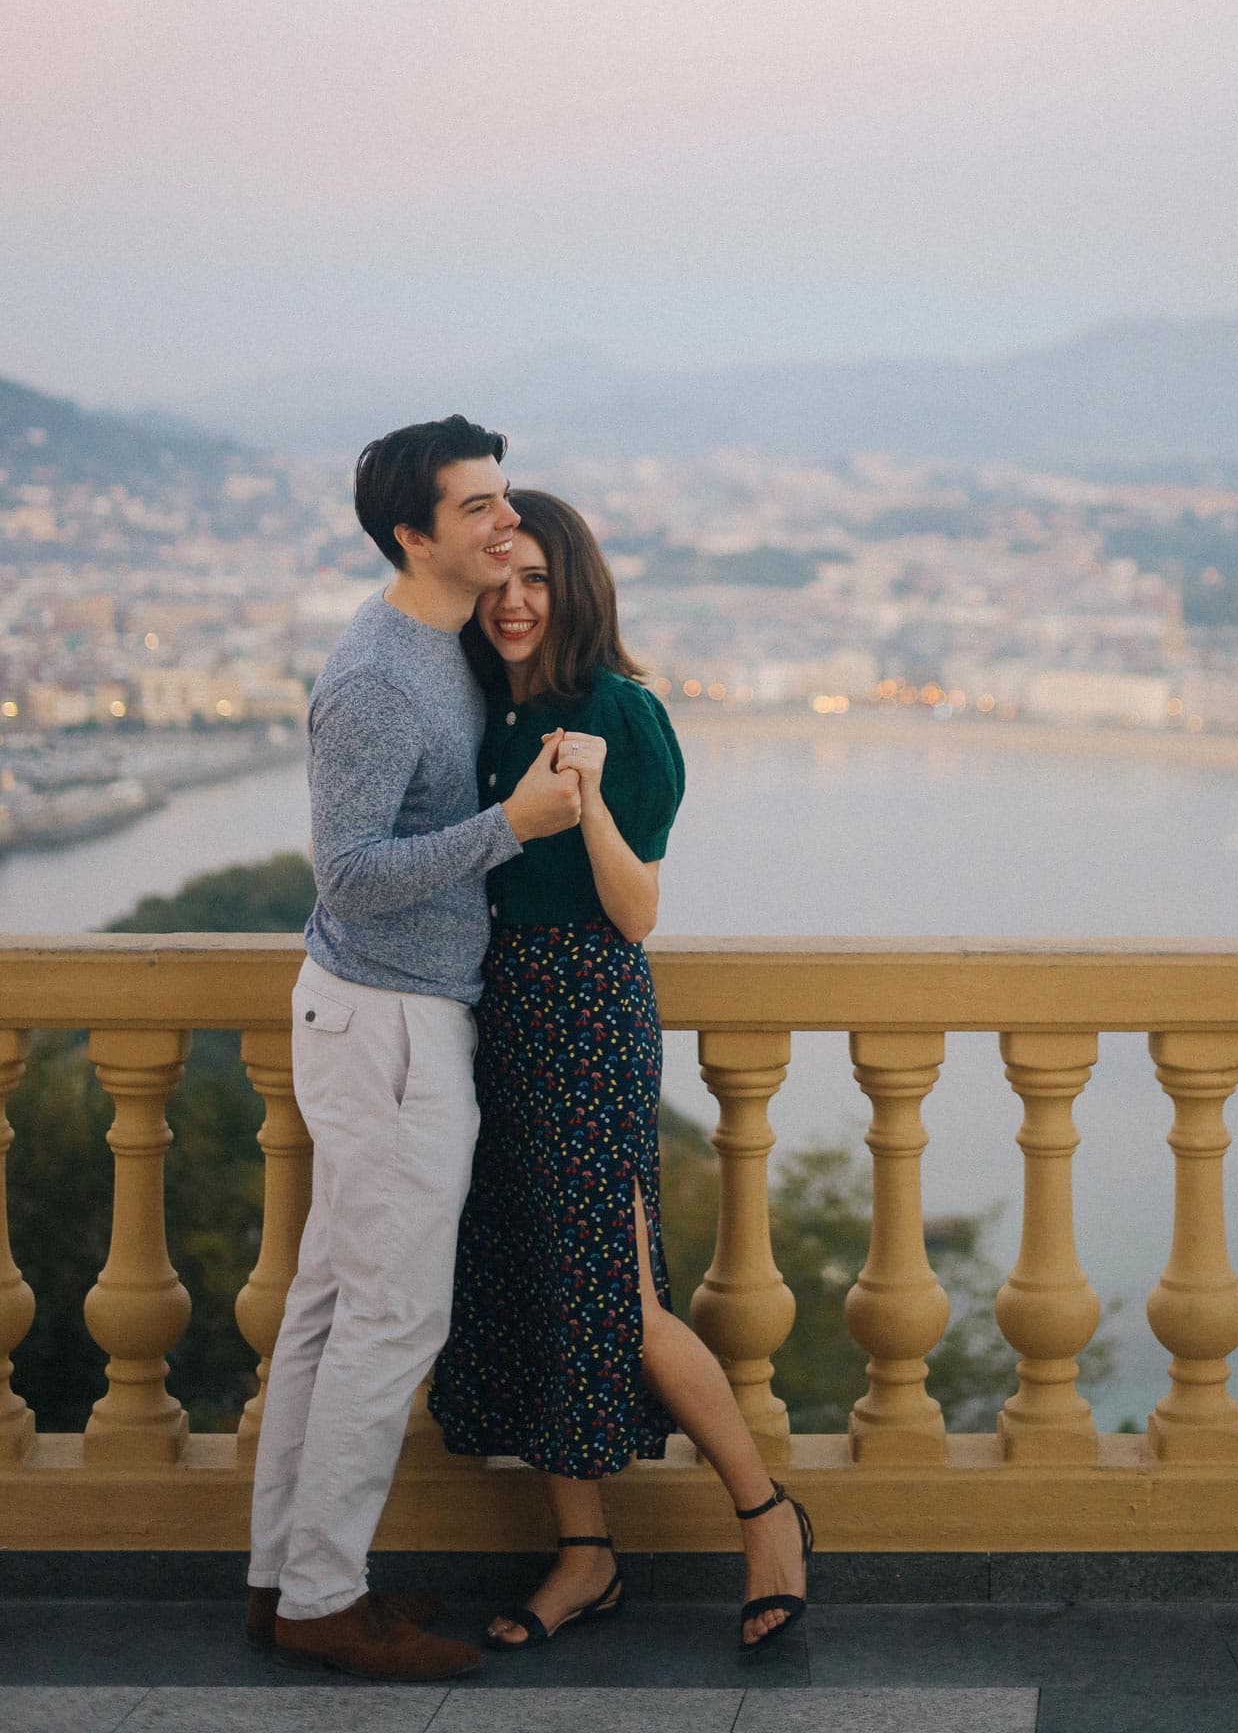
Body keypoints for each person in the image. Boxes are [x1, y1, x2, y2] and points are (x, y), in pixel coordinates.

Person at [429, 489, 813, 1654]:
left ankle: (766, 1514)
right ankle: (584, 1555)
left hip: (587, 1009)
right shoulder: (479, 711)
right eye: (497, 581)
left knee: (618, 1296)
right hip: (492, 1017)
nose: (514, 603)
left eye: (537, 579)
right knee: (533, 1278)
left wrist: (582, 798)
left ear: (578, 585)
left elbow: (637, 912)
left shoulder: (622, 714)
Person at [247, 417, 585, 1682]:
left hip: (386, 1015)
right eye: (480, 509)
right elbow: (349, 874)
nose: (508, 523)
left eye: (506, 498)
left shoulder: (438, 647)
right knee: (390, 1318)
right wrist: (512, 824)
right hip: (388, 1019)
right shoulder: (383, 674)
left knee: (333, 1313)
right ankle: (328, 1599)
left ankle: (284, 1577)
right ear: (413, 535)